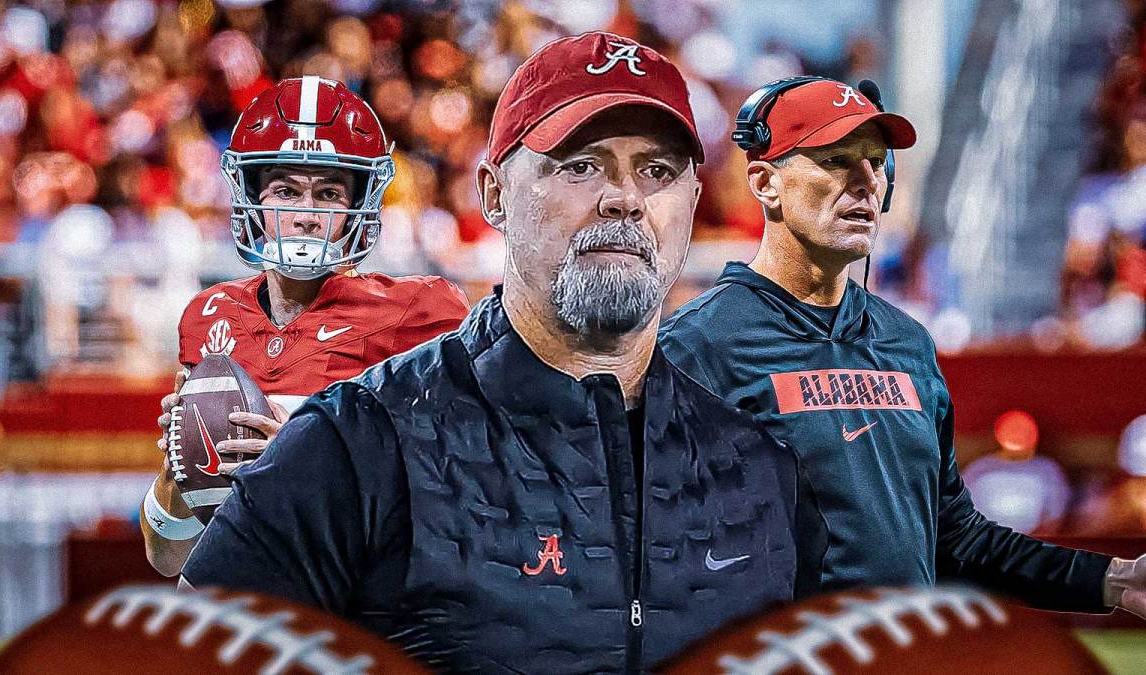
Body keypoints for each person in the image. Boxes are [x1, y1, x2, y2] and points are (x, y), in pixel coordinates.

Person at [182, 33, 814, 672]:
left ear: (691, 203)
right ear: (493, 194)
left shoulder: (761, 471)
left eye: (656, 171)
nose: (625, 197)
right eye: (581, 164)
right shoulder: (358, 445)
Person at [659, 76, 1146, 617]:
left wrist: (1116, 579)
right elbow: (653, 554)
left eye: (875, 162)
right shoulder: (698, 346)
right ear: (766, 182)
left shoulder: (906, 344)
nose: (866, 181)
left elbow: (957, 541)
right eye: (837, 160)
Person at [140, 76, 470, 577]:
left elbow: (460, 509)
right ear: (249, 195)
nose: (306, 215)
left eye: (329, 193)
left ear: (362, 202)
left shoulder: (419, 314)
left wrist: (302, 462)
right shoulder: (210, 315)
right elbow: (166, 557)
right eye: (285, 191)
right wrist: (179, 473)